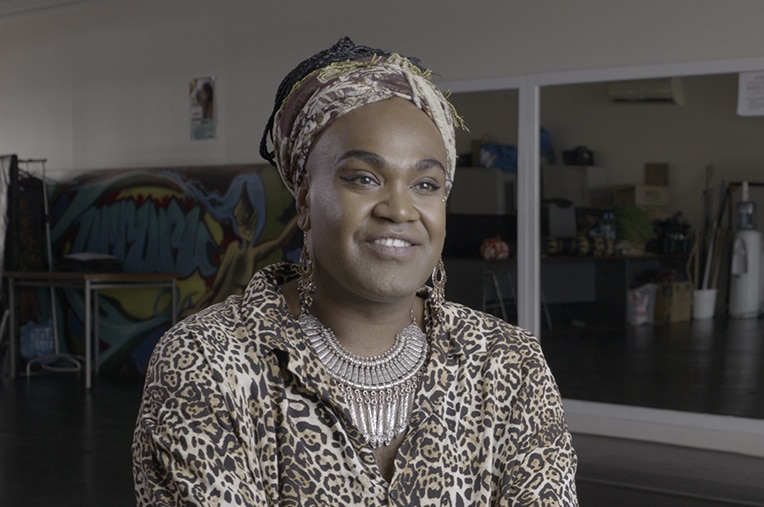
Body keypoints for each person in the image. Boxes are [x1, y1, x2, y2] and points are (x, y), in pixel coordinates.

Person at [132, 36, 578, 506]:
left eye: (426, 184)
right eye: (363, 178)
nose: (400, 210)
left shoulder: (509, 363)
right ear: (305, 199)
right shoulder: (210, 362)